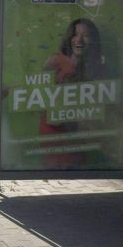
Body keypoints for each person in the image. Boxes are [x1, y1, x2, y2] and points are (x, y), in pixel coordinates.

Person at [39, 17, 105, 168]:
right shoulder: (55, 62)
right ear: (69, 38)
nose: (79, 40)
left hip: (79, 134)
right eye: (75, 34)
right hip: (55, 129)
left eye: (86, 35)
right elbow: (42, 96)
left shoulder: (97, 68)